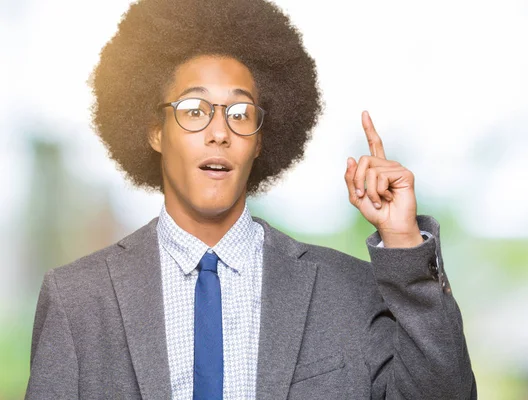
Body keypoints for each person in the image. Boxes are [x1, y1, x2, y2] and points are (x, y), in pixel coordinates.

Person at [25, 0, 476, 398]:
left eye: (240, 113)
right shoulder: (78, 300)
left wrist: (403, 242)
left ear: (259, 142)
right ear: (156, 132)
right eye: (194, 110)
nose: (219, 132)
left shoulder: (348, 293)